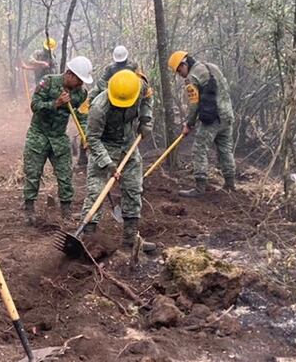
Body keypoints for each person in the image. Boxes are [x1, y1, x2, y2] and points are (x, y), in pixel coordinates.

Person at [82, 70, 157, 253]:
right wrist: (108, 163)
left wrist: (146, 120)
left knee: (133, 189)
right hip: (105, 145)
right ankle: (87, 241)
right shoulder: (99, 107)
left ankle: (130, 241)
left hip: (128, 144)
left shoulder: (140, 87)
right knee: (96, 192)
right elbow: (92, 139)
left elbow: (148, 99)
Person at [22, 56, 93, 225]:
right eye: (79, 80)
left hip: (59, 137)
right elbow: (35, 106)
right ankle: (29, 210)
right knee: (33, 174)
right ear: (70, 74)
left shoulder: (81, 94)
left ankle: (66, 211)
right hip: (38, 135)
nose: (81, 84)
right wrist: (56, 103)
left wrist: (86, 135)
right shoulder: (48, 82)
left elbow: (82, 116)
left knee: (65, 175)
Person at [168, 50, 236, 197]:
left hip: (213, 119)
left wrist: (189, 124)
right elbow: (225, 88)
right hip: (228, 115)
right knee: (225, 149)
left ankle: (199, 188)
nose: (181, 74)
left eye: (180, 70)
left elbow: (194, 105)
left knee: (199, 148)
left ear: (185, 64)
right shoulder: (212, 67)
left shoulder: (192, 78)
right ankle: (230, 184)